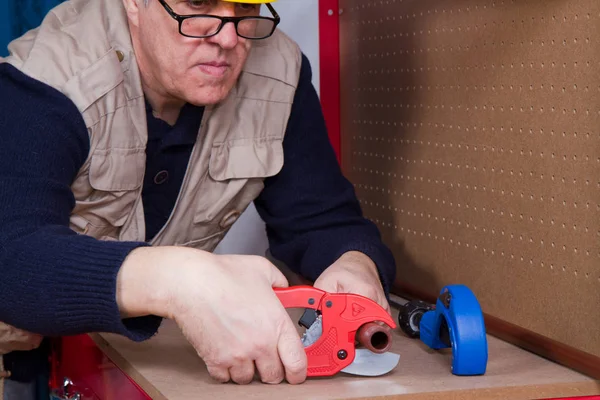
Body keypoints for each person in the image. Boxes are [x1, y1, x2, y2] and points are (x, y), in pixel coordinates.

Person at [0, 0, 396, 396]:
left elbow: (322, 220)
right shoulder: (50, 75)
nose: (227, 37)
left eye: (244, 7)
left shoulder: (279, 71)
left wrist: (355, 263)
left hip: (143, 367)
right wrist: (181, 281)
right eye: (199, 4)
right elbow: (10, 255)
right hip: (22, 355)